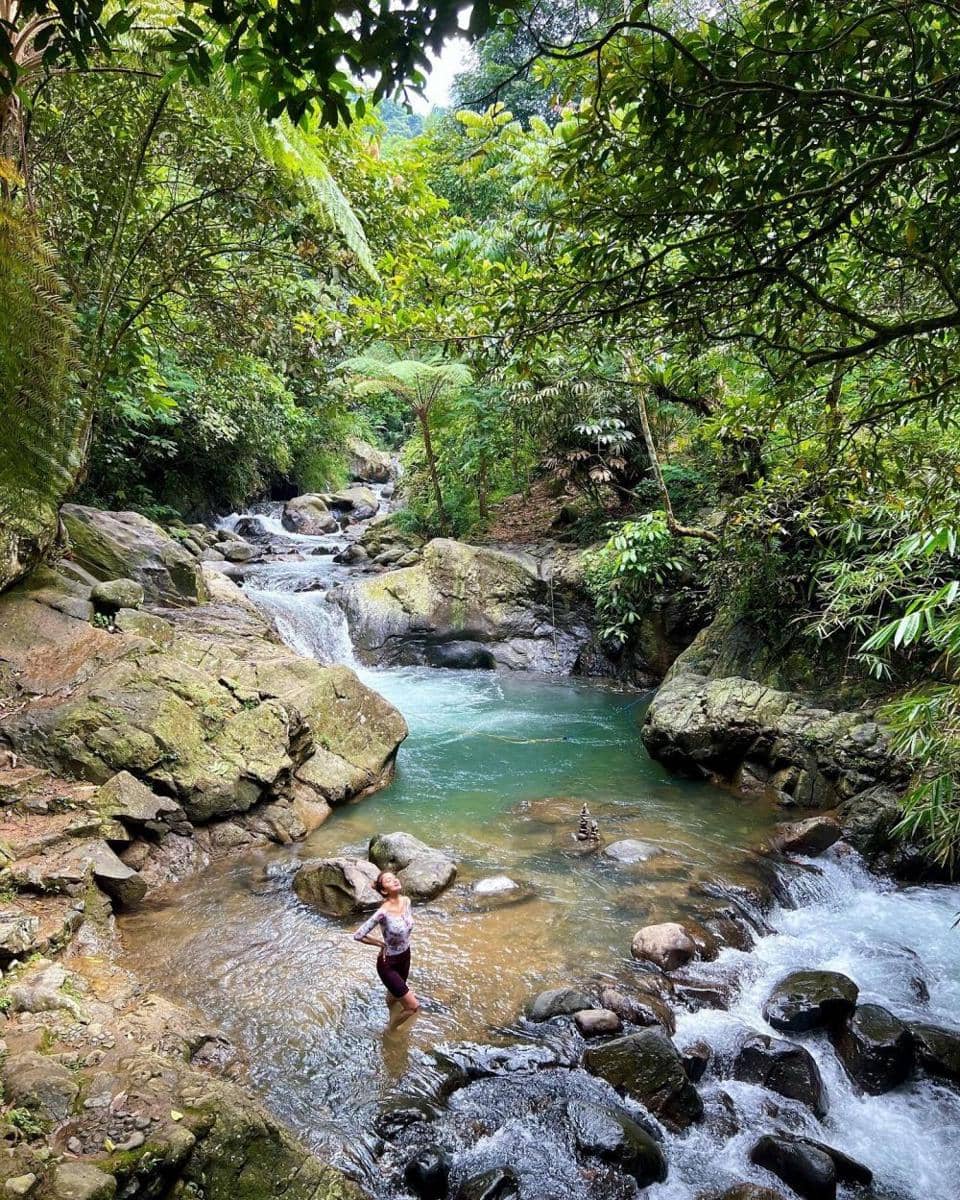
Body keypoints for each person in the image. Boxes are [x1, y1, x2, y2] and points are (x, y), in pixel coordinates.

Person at [353, 871, 420, 1029]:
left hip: (405, 956)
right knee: (413, 1007)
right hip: (388, 963)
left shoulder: (406, 901)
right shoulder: (382, 913)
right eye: (389, 881)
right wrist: (381, 944)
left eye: (394, 878)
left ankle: (391, 1011)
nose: (395, 880)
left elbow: (406, 928)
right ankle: (390, 1030)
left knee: (395, 996)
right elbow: (358, 935)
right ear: (384, 891)